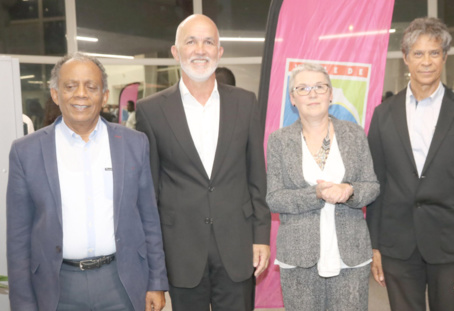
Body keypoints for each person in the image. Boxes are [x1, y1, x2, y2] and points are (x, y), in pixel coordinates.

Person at [6, 52, 168, 311]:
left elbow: (149, 218)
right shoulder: (26, 151)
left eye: (91, 87)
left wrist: (157, 281)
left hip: (121, 282)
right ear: (56, 94)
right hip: (57, 287)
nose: (81, 94)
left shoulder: (134, 144)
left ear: (104, 96)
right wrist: (23, 304)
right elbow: (18, 237)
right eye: (70, 86)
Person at [136, 14, 270, 310]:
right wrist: (154, 262)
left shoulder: (245, 103)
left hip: (237, 246)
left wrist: (261, 237)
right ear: (176, 52)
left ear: (219, 52)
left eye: (208, 42)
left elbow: (256, 177)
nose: (200, 49)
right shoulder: (151, 111)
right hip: (181, 250)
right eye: (191, 41)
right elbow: (150, 193)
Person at [366, 17, 454, 311]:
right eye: (418, 54)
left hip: (450, 247)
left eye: (434, 53)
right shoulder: (383, 114)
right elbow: (377, 185)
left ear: (444, 57)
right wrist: (375, 245)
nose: (426, 62)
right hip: (397, 245)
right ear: (406, 58)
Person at [266, 63, 380, 310]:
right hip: (298, 255)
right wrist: (315, 194)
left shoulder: (354, 134)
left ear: (330, 94)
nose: (313, 93)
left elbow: (371, 186)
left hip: (350, 254)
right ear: (292, 99)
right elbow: (274, 198)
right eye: (303, 88)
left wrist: (350, 190)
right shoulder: (278, 141)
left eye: (319, 86)